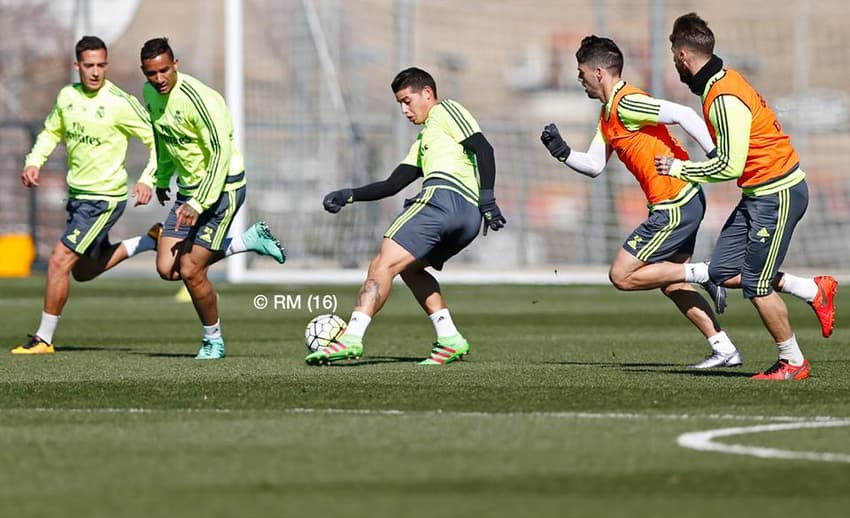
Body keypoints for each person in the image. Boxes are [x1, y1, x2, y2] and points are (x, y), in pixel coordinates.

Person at [654, 13, 837, 380]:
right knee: (722, 271)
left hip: (778, 193)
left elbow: (729, 166)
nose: (675, 65)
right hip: (758, 195)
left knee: (755, 284)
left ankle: (794, 362)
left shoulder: (723, 95)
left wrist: (679, 168)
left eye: (675, 57)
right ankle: (812, 289)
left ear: (684, 56)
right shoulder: (719, 83)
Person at [540, 35, 741, 369]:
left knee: (621, 275)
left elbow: (684, 114)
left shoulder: (627, 102)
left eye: (581, 72)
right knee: (671, 280)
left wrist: (715, 153)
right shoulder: (608, 113)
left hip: (674, 203)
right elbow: (593, 166)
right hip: (680, 202)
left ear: (599, 72)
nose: (579, 80)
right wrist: (562, 153)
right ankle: (724, 349)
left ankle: (706, 273)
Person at [305, 66, 506, 366]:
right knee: (410, 270)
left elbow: (483, 148)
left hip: (443, 199)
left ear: (427, 93)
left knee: (381, 263)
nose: (404, 110)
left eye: (407, 100)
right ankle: (449, 338)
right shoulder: (426, 141)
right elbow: (392, 184)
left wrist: (488, 197)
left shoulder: (446, 110)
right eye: (399, 104)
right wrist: (350, 194)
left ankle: (351, 338)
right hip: (467, 220)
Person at [12, 36, 162, 355]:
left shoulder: (120, 102)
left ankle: (44, 339)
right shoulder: (67, 96)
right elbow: (51, 131)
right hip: (78, 198)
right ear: (77, 66)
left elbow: (155, 140)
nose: (95, 72)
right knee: (82, 271)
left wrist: (148, 179)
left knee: (58, 260)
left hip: (104, 200)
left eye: (101, 65)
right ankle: (147, 241)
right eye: (89, 65)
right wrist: (34, 162)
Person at [140, 37, 286, 360]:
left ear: (175, 64)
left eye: (165, 70)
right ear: (144, 72)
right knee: (167, 269)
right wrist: (163, 178)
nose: (160, 79)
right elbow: (162, 139)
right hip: (189, 192)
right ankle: (248, 241)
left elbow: (220, 154)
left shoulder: (201, 99)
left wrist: (198, 203)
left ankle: (213, 340)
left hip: (223, 189)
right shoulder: (149, 94)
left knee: (191, 270)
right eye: (152, 73)